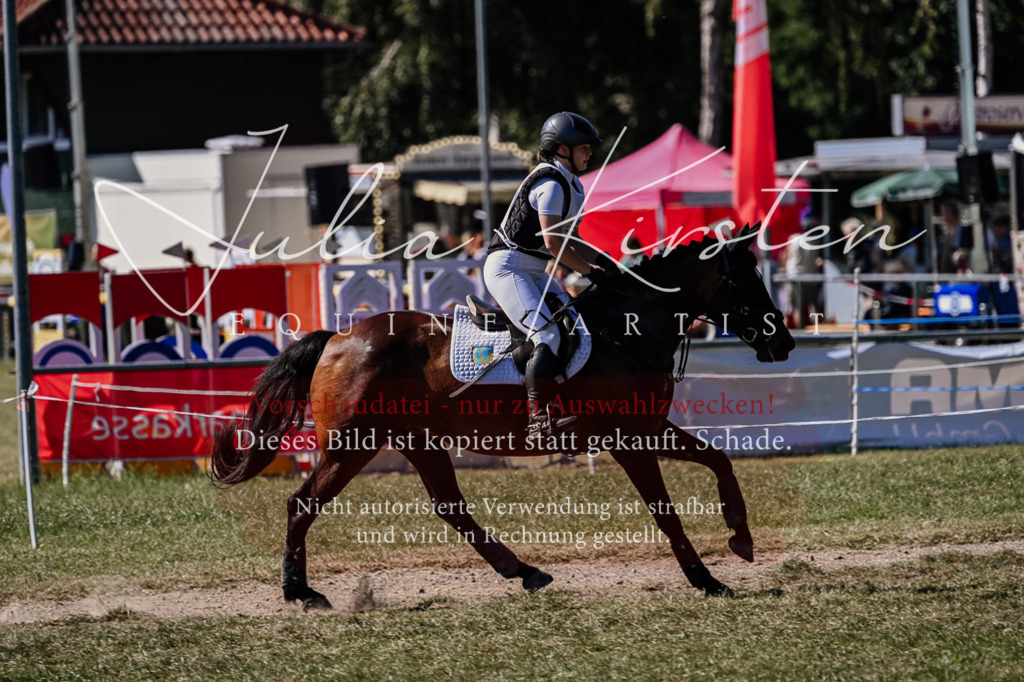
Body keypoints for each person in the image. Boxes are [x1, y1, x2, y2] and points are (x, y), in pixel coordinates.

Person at [483, 111, 614, 439]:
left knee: (577, 326)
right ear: (562, 149)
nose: (589, 153)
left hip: (534, 270)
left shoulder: (575, 186)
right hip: (508, 267)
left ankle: (567, 403)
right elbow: (554, 242)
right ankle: (537, 418)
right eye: (584, 148)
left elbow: (573, 239)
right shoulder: (551, 184)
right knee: (548, 336)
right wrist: (590, 271)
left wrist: (609, 264)